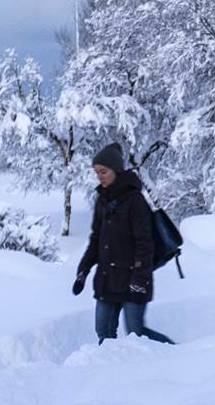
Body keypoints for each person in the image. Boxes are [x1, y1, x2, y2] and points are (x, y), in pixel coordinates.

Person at [72, 144, 174, 344]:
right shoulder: (102, 200)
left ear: (116, 170)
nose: (99, 176)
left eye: (103, 171)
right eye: (96, 172)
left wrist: (139, 279)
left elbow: (145, 245)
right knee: (103, 332)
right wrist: (83, 270)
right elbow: (95, 239)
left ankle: (175, 353)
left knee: (136, 335)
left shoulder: (135, 201)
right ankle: (108, 372)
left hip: (132, 280)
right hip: (106, 279)